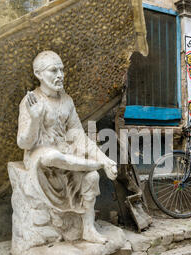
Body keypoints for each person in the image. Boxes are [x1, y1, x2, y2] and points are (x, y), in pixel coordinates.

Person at [16, 51, 117, 244]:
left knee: (92, 177)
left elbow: (78, 134)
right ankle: (90, 164)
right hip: (41, 156)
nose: (60, 75)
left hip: (65, 156)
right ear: (38, 74)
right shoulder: (31, 101)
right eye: (53, 70)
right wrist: (35, 118)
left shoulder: (67, 100)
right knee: (52, 157)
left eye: (61, 69)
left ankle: (88, 229)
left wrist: (104, 158)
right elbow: (24, 143)